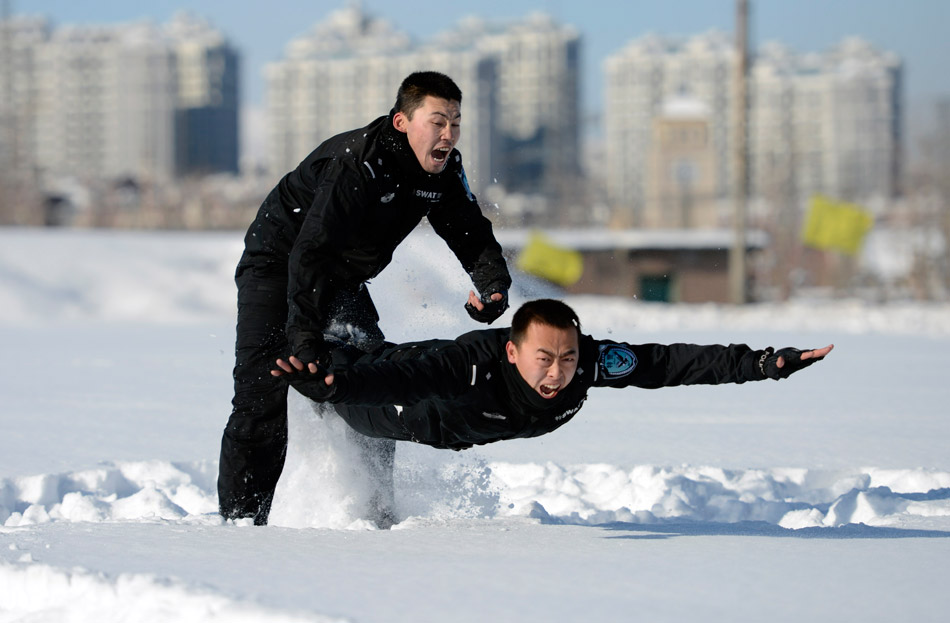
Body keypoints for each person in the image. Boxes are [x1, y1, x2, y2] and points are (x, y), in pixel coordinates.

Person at [219, 71, 512, 525]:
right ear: (402, 122)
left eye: (455, 122)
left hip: (340, 277)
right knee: (263, 392)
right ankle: (238, 524)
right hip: (277, 266)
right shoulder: (358, 164)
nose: (448, 134)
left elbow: (468, 229)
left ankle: (373, 511)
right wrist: (304, 336)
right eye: (437, 122)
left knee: (375, 382)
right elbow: (309, 253)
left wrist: (493, 283)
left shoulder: (444, 169)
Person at [273, 298, 833, 454]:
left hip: (450, 417)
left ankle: (338, 320)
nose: (559, 372)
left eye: (567, 358)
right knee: (351, 378)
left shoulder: (589, 362)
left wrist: (763, 365)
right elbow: (404, 383)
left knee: (369, 351)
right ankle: (310, 343)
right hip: (417, 411)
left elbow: (667, 364)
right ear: (514, 354)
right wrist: (335, 388)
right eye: (545, 358)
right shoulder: (475, 364)